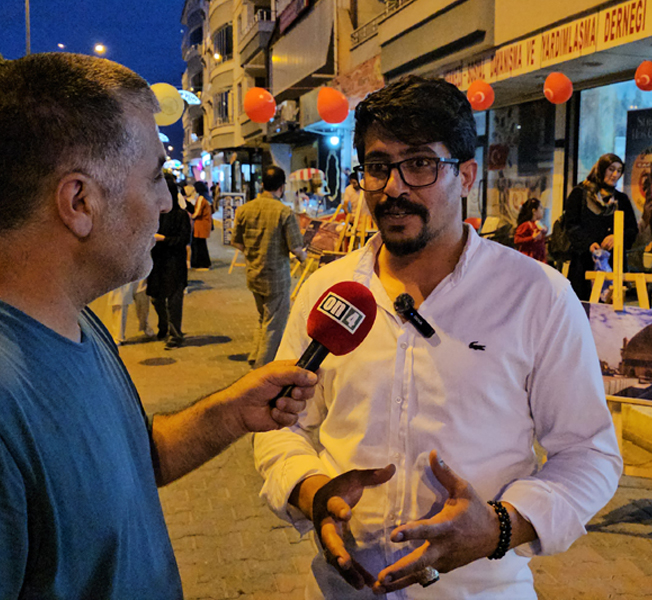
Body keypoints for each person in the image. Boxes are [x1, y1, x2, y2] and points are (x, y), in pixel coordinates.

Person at [0, 53, 318, 599]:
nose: (165, 202)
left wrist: (228, 414)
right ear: (79, 201)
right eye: (155, 178)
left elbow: (119, 464)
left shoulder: (71, 320)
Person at [253, 75, 621, 600]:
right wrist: (310, 491)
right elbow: (281, 425)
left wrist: (500, 527)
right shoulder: (326, 291)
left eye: (421, 164)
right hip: (343, 588)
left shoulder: (537, 296)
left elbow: (589, 452)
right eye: (378, 166)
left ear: (466, 175)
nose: (394, 187)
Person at [232, 165, 307, 368]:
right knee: (274, 324)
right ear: (281, 187)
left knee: (263, 317)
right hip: (276, 278)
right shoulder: (284, 212)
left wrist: (253, 252)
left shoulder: (244, 209)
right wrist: (306, 259)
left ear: (262, 184)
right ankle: (262, 366)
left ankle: (255, 354)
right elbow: (296, 247)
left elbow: (236, 241)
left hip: (254, 274)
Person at [564, 153, 638, 300]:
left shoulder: (621, 200)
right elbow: (571, 226)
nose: (615, 175)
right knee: (583, 307)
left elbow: (632, 230)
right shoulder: (580, 194)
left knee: (611, 310)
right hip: (584, 264)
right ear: (602, 169)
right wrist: (588, 243)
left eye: (619, 171)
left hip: (613, 266)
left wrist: (617, 237)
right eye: (611, 169)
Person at [149, 175, 192, 349]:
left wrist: (163, 239)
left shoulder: (181, 215)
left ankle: (175, 335)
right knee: (156, 298)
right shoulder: (154, 215)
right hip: (157, 262)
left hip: (174, 263)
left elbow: (183, 240)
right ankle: (163, 326)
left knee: (174, 301)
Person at [107, 279, 154, 345]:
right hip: (122, 277)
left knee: (142, 301)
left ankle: (145, 326)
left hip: (139, 275)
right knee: (120, 303)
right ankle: (118, 336)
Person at [513, 197, 547, 262]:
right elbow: (516, 240)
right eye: (540, 208)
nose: (542, 210)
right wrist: (532, 238)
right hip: (529, 258)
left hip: (539, 257)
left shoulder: (538, 224)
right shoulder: (526, 225)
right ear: (534, 211)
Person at [190, 180, 213, 269]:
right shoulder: (207, 198)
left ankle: (200, 262)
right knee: (202, 244)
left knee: (198, 244)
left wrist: (192, 217)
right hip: (206, 223)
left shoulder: (200, 198)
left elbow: (197, 212)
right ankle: (204, 262)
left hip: (200, 224)